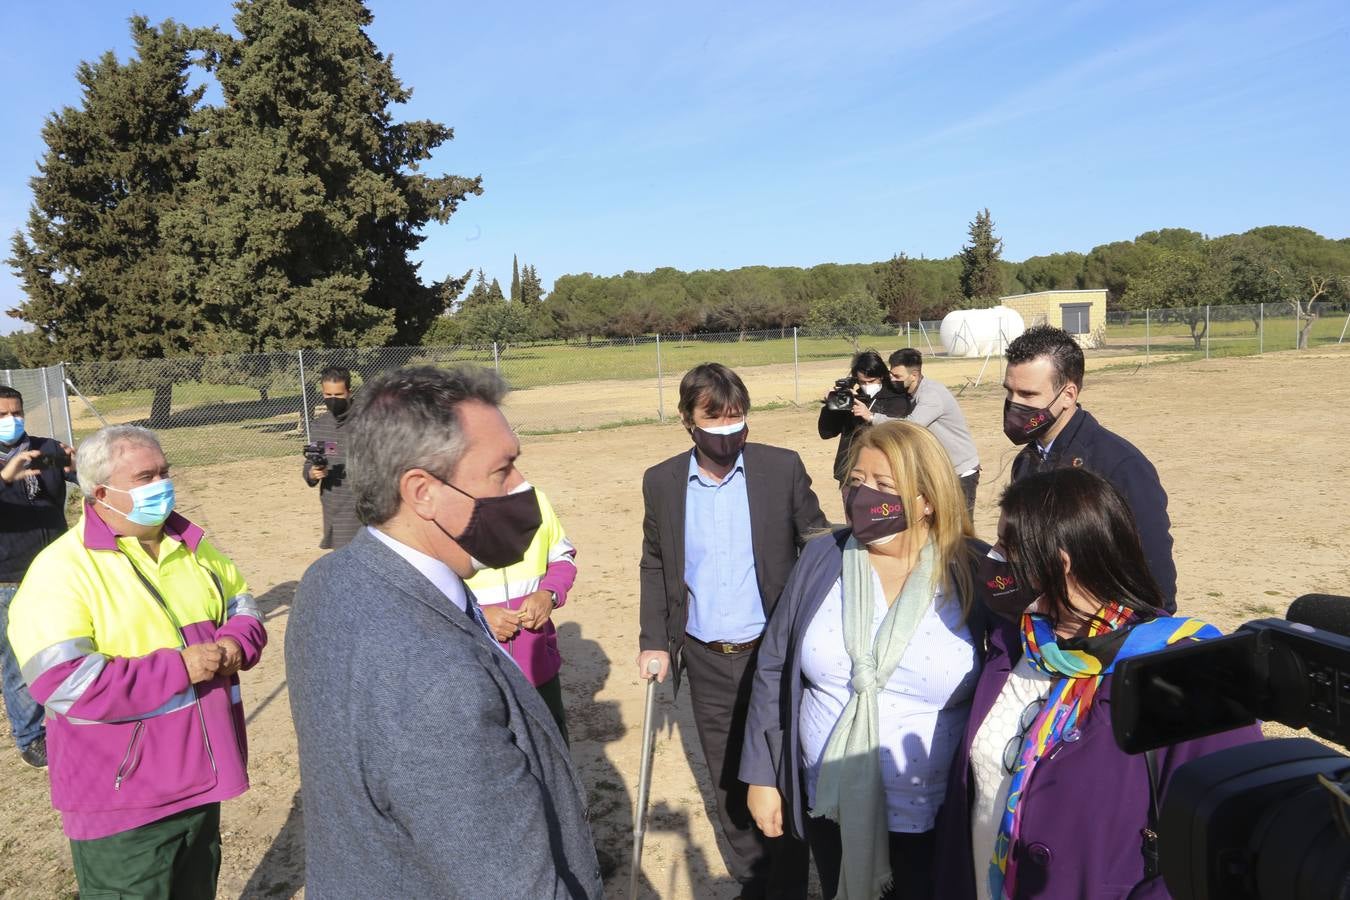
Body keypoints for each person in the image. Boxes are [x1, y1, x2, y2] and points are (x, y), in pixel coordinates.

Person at [287, 366, 601, 898]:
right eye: (504, 471)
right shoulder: (438, 683)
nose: (522, 489)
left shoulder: (328, 580)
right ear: (422, 491)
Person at [934, 468, 1262, 899]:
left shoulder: (1188, 672)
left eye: (1008, 547)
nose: (993, 558)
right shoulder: (1015, 645)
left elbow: (1228, 834)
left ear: (1059, 562)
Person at [6, 425, 266, 898]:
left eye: (166, 472)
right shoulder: (61, 571)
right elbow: (64, 683)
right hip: (123, 802)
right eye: (147, 476)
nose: (163, 485)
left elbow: (243, 605)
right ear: (102, 492)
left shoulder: (192, 546)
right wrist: (180, 668)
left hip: (203, 780)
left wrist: (236, 644)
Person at [741, 421, 986, 900]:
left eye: (884, 486)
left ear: (928, 498)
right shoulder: (821, 558)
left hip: (936, 814)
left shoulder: (974, 571)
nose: (862, 495)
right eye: (856, 482)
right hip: (832, 803)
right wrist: (762, 775)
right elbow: (773, 666)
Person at [638, 362, 828, 899]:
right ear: (686, 421)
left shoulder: (780, 469)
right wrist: (654, 638)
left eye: (737, 420)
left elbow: (816, 543)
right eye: (714, 421)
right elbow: (655, 561)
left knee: (781, 768)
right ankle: (753, 878)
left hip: (773, 655)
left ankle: (788, 882)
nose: (727, 432)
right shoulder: (662, 482)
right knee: (728, 779)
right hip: (704, 657)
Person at [1002, 325, 1177, 612]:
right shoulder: (1025, 462)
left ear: (1068, 394)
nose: (1014, 404)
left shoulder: (1120, 466)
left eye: (1028, 394)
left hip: (1101, 634)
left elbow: (1154, 568)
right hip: (1046, 627)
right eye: (1009, 391)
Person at [0, 385, 77, 769]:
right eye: (1, 416)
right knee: (19, 661)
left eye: (15, 413)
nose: (10, 421)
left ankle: (69, 720)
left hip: (56, 569)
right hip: (9, 579)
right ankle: (31, 737)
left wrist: (77, 465)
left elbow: (82, 478)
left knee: (68, 647)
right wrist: (5, 477)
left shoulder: (45, 447)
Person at [465, 486, 578, 742]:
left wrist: (548, 593)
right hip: (476, 673)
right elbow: (426, 589)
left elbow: (563, 558)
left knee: (553, 757)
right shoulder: (444, 508)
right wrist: (477, 617)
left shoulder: (535, 498)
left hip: (538, 667)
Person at [869, 349, 981, 518]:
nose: (892, 379)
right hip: (941, 471)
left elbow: (910, 426)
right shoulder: (912, 393)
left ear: (914, 375)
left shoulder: (931, 394)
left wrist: (872, 417)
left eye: (897, 376)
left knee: (960, 529)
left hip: (959, 473)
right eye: (891, 374)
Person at [818, 350, 913, 483]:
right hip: (851, 474)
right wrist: (831, 406)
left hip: (885, 474)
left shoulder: (897, 399)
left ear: (882, 376)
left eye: (871, 381)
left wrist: (869, 413)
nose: (867, 386)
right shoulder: (850, 399)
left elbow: (897, 431)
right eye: (862, 382)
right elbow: (826, 432)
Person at [302, 365, 360, 549]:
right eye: (328, 396)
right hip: (333, 506)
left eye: (338, 395)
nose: (333, 400)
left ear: (349, 392)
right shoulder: (320, 426)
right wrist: (312, 473)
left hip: (362, 508)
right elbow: (310, 461)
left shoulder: (368, 421)